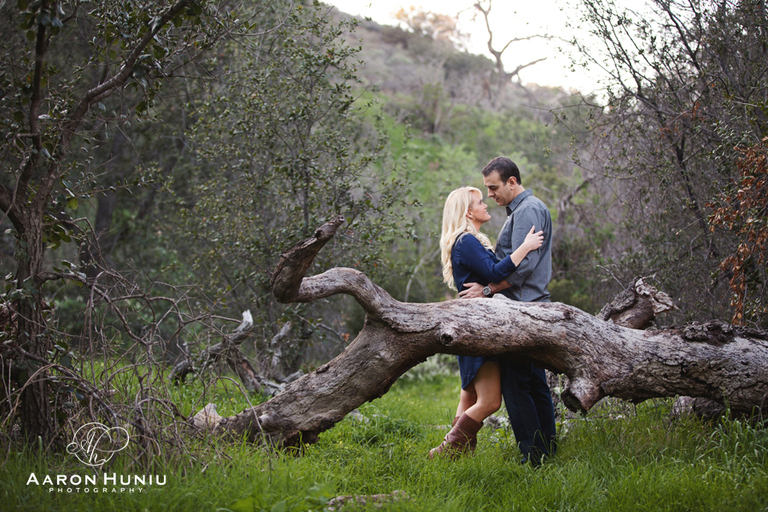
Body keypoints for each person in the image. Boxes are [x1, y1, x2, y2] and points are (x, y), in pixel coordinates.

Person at [429, 186, 544, 459]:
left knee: (468, 396)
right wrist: (524, 248)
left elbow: (488, 277)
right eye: (480, 202)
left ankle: (456, 457)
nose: (485, 205)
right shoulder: (466, 240)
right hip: (477, 326)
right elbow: (493, 272)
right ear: (468, 211)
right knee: (490, 401)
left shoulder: (467, 240)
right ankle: (445, 451)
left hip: (470, 323)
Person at [460, 156, 557, 465]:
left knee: (517, 387)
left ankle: (533, 459)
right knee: (535, 384)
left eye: (493, 187)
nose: (491, 195)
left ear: (512, 182)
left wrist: (488, 289)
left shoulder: (527, 209)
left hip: (522, 309)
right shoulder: (523, 210)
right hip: (528, 307)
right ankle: (547, 452)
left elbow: (523, 266)